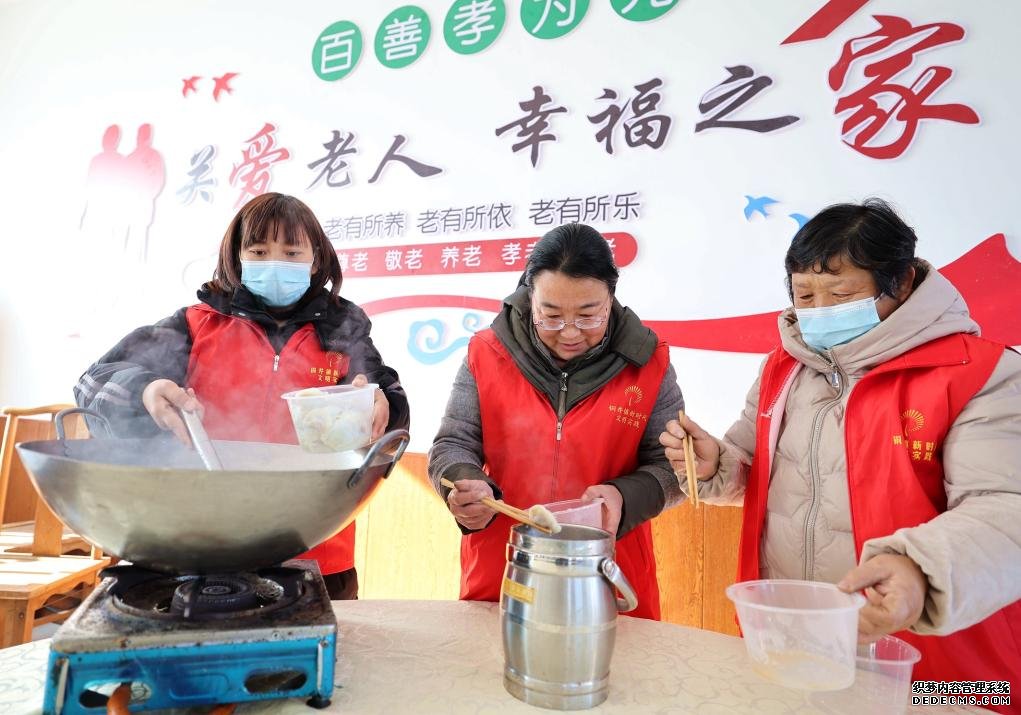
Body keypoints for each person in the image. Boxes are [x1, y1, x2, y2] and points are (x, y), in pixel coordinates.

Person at [660, 199, 1021, 705]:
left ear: (902, 284)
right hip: (798, 644)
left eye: (841, 293)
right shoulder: (782, 369)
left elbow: (1006, 508)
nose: (820, 312)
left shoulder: (982, 374)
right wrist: (716, 464)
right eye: (804, 295)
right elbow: (754, 466)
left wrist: (920, 570)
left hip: (940, 667)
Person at [74, 192, 410, 599]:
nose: (276, 263)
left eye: (291, 252)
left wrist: (381, 405)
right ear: (237, 256)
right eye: (260, 250)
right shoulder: (196, 324)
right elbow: (93, 382)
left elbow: (387, 398)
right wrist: (145, 390)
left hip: (316, 543)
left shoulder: (344, 331)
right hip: (201, 540)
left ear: (316, 259)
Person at [429, 223, 685, 620]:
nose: (569, 333)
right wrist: (462, 483)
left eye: (588, 316)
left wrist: (623, 497)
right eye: (550, 315)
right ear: (531, 299)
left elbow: (674, 466)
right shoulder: (487, 352)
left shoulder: (647, 362)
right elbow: (452, 442)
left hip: (607, 577)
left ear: (611, 298)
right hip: (504, 573)